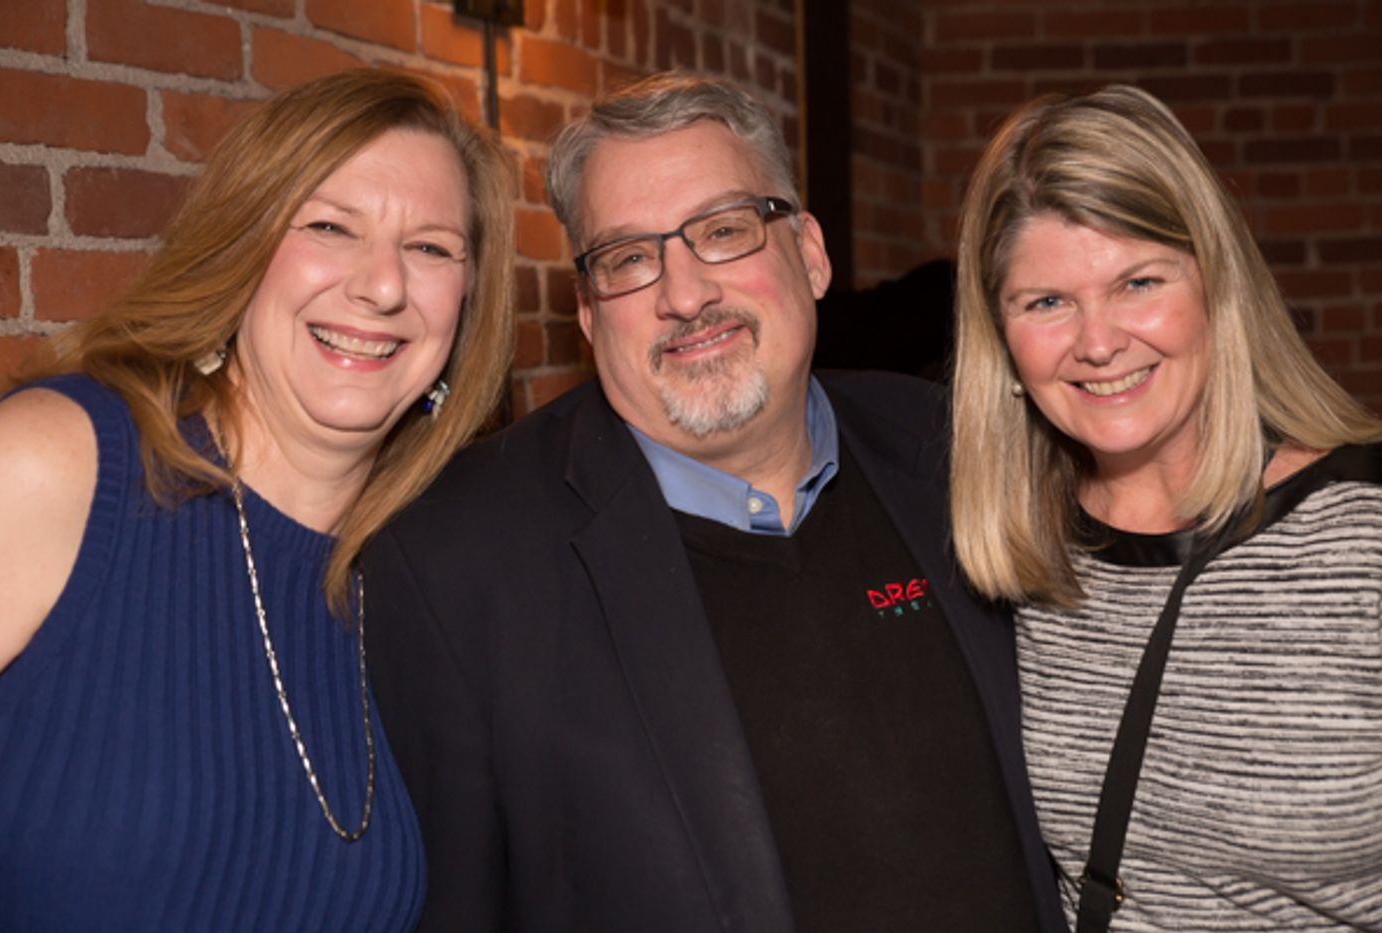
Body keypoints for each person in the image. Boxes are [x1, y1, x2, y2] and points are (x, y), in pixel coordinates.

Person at [365, 72, 1066, 932]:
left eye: (726, 231)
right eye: (628, 258)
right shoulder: (457, 559)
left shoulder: (958, 450)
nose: (685, 293)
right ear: (587, 312)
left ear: (809, 253)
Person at [0, 68, 515, 930]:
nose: (382, 286)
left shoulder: (424, 577)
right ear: (242, 247)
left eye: (431, 247)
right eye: (331, 226)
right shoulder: (63, 464)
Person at [950, 84, 1382, 929]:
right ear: (1000, 336)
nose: (1099, 341)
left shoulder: (1363, 540)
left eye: (1139, 281)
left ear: (1217, 288)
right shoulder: (1016, 561)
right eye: (1047, 302)